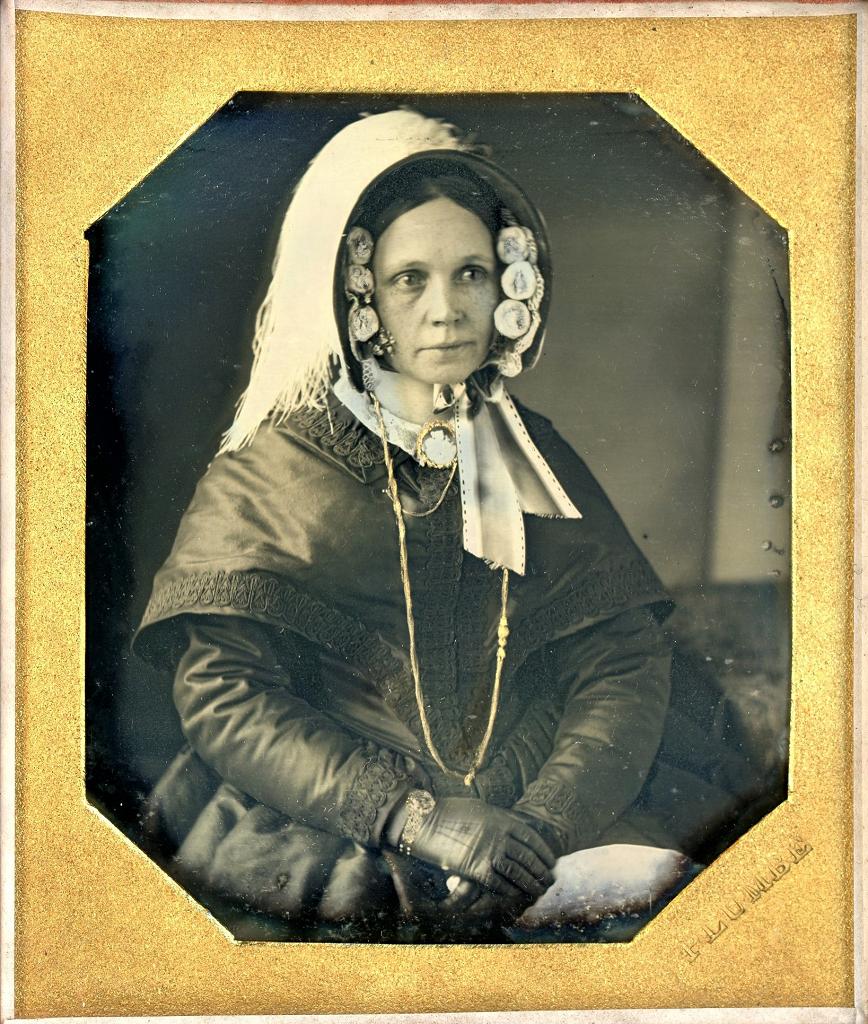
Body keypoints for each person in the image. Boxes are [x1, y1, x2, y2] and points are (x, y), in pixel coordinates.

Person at [133, 110, 763, 942]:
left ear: (510, 284)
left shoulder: (532, 455)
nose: (447, 311)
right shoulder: (268, 472)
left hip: (548, 815)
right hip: (332, 825)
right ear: (356, 292)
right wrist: (419, 820)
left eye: (471, 273)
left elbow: (621, 661)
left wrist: (544, 828)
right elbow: (226, 694)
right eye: (409, 279)